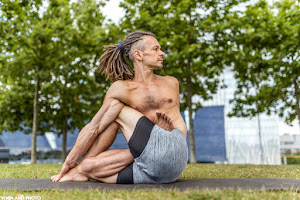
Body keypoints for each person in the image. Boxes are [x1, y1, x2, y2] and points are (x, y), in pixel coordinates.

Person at [51, 31, 188, 184]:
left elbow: (95, 126)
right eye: (155, 49)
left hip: (175, 149)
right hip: (153, 171)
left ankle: (77, 170)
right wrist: (70, 161)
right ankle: (79, 170)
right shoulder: (123, 89)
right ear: (138, 55)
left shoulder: (171, 82)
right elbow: (94, 128)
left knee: (115, 109)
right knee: (89, 166)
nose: (161, 53)